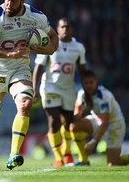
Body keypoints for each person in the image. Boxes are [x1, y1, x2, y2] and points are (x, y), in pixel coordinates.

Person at [0, 0, 59, 170]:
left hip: (19, 70)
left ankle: (13, 154)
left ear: (23, 1)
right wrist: (9, 53)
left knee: (25, 104)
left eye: (13, 1)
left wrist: (47, 49)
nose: (8, 4)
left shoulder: (37, 17)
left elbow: (53, 38)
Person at [32, 17, 86, 167]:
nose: (65, 30)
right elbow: (38, 67)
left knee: (68, 123)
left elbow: (82, 70)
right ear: (57, 28)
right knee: (53, 121)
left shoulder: (79, 47)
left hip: (68, 89)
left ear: (72, 29)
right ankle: (58, 158)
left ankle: (67, 152)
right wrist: (34, 89)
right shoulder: (48, 43)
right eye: (62, 27)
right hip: (50, 87)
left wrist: (86, 92)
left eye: (67, 27)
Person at [69, 70, 129, 166]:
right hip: (98, 121)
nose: (89, 85)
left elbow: (105, 123)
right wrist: (71, 117)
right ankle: (83, 160)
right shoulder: (81, 93)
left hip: (114, 126)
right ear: (83, 83)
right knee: (74, 126)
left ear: (96, 81)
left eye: (91, 82)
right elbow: (77, 113)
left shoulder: (103, 96)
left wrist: (92, 143)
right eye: (86, 83)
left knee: (113, 163)